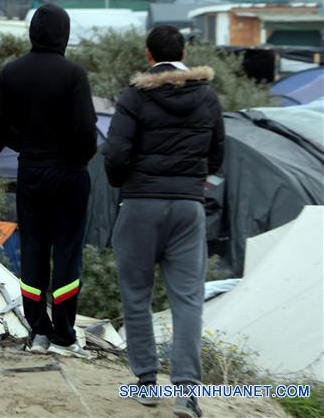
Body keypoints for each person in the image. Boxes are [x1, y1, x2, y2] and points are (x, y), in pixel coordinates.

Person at [104, 25, 224, 418]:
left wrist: (127, 184)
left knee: (137, 295)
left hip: (141, 204)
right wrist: (196, 182)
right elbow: (219, 154)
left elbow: (116, 153)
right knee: (188, 299)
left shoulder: (135, 96)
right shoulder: (207, 96)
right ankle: (187, 392)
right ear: (185, 51)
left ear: (148, 55)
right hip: (188, 207)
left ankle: (146, 383)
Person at [0, 3, 97, 358]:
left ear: (32, 32)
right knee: (67, 252)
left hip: (31, 170)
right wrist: (77, 158)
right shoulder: (73, 74)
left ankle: (38, 329)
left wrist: (28, 148)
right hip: (69, 173)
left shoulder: (12, 72)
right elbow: (86, 131)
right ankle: (65, 334)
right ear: (64, 35)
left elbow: (1, 126)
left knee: (34, 249)